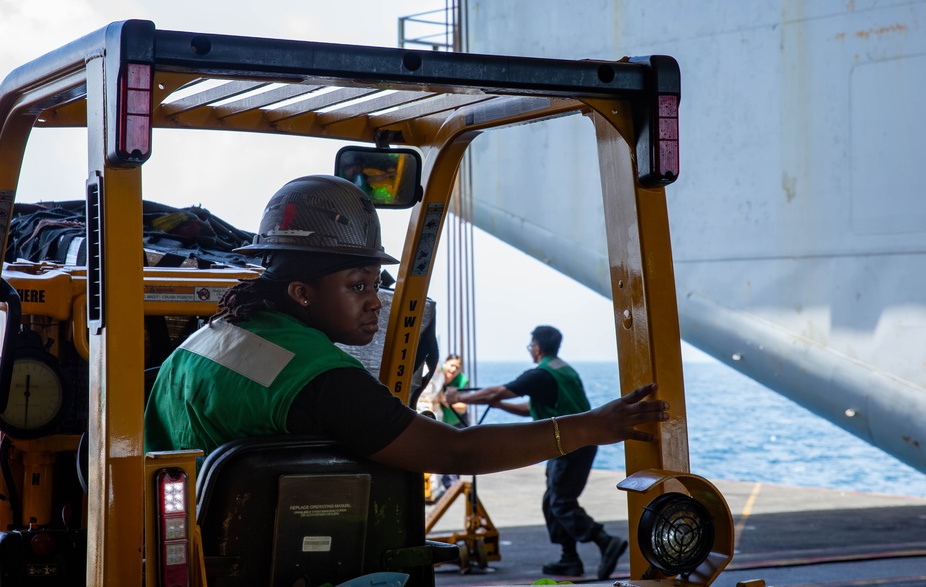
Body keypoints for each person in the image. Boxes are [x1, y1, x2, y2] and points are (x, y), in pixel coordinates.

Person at [145, 175, 669, 527]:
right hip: (270, 586)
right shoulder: (317, 377)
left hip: (177, 560)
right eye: (358, 286)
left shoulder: (204, 343)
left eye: (376, 284)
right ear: (302, 293)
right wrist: (594, 427)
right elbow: (456, 451)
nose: (376, 303)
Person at [445, 326, 625, 580]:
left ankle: (605, 541)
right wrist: (499, 404)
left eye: (531, 346)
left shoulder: (540, 375)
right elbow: (532, 409)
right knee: (552, 501)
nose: (531, 350)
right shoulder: (563, 370)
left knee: (560, 502)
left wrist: (456, 397)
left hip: (571, 446)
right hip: (579, 442)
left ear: (537, 347)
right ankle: (569, 559)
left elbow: (497, 391)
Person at [439, 354, 469, 428]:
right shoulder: (436, 374)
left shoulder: (463, 381)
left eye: (457, 367)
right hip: (439, 422)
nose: (454, 369)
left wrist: (444, 401)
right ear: (445, 363)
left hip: (458, 423)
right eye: (452, 365)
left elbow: (462, 408)